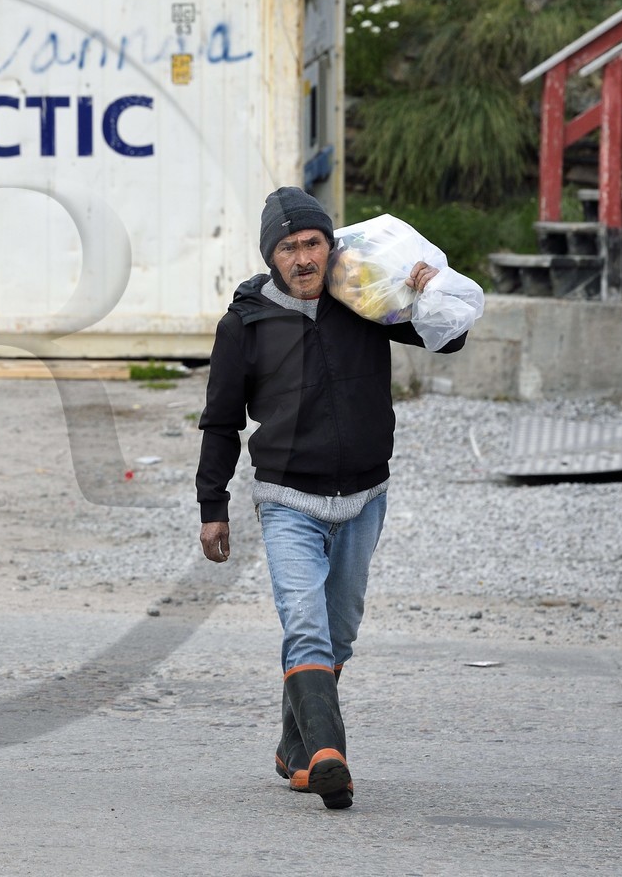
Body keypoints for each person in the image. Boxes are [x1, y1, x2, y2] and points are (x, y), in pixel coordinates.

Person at [194, 186, 467, 810]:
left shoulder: (363, 297)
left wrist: (429, 292)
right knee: (306, 624)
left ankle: (294, 747)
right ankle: (327, 757)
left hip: (365, 494)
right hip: (287, 496)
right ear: (271, 256)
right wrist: (213, 508)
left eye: (312, 243)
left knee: (339, 632)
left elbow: (447, 340)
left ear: (329, 244)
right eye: (288, 248)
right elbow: (220, 422)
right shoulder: (245, 324)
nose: (303, 258)